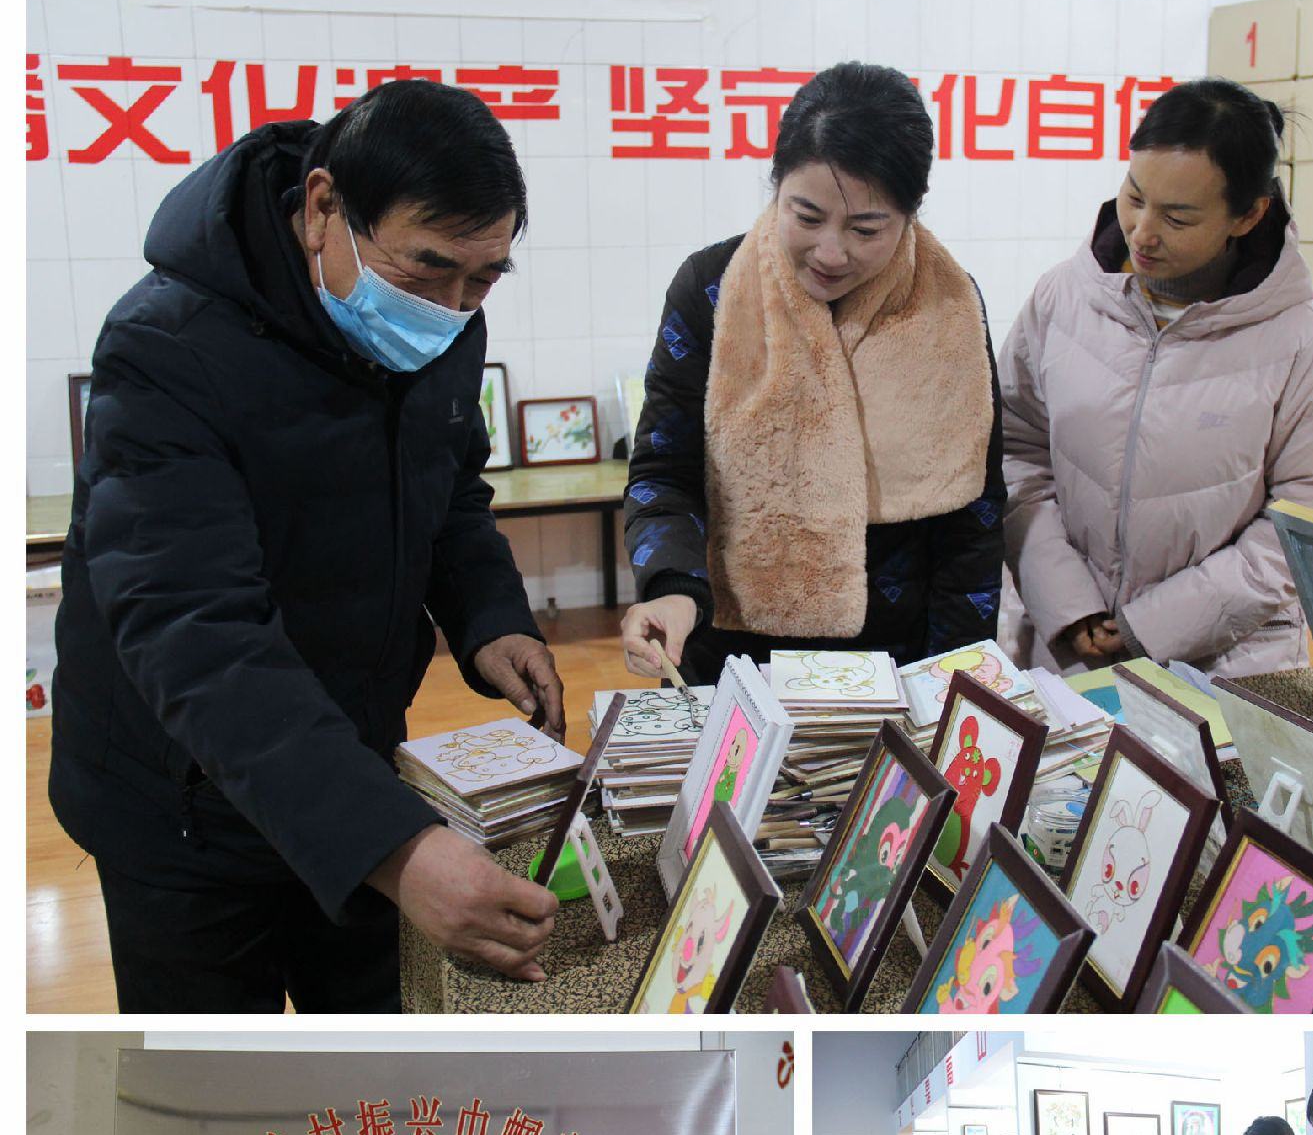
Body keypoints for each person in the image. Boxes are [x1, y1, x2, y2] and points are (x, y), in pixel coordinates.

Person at [50, 80, 565, 1012]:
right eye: (426, 273)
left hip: (352, 758)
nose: (452, 307)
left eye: (485, 278)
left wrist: (490, 617)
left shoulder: (442, 322)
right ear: (324, 206)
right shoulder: (165, 349)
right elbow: (195, 632)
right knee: (220, 1077)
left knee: (370, 1060)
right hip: (185, 810)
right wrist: (398, 850)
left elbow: (450, 490)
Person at [619, 61, 1006, 687]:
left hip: (898, 664)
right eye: (805, 216)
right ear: (777, 186)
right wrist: (672, 588)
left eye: (865, 229)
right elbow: (663, 474)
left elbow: (976, 511)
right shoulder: (710, 290)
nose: (830, 252)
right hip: (730, 653)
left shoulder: (949, 307)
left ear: (911, 213)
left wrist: (955, 675)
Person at [1000, 77, 1313, 678]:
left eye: (1177, 217)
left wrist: (1152, 626)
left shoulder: (1305, 341)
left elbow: (1309, 522)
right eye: (1134, 196)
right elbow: (1017, 451)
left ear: (1248, 215)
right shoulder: (1063, 297)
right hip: (1066, 648)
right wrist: (1064, 600)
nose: (1143, 231)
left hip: (1222, 666)